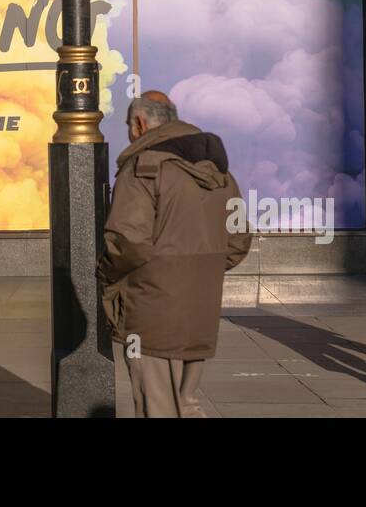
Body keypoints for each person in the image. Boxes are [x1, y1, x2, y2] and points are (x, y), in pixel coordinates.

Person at [97, 90, 251, 418]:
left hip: (148, 310)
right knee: (186, 403)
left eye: (128, 125)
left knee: (155, 404)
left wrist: (105, 275)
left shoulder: (143, 168)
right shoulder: (222, 174)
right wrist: (198, 271)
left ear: (139, 124)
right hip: (200, 309)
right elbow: (238, 241)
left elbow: (127, 242)